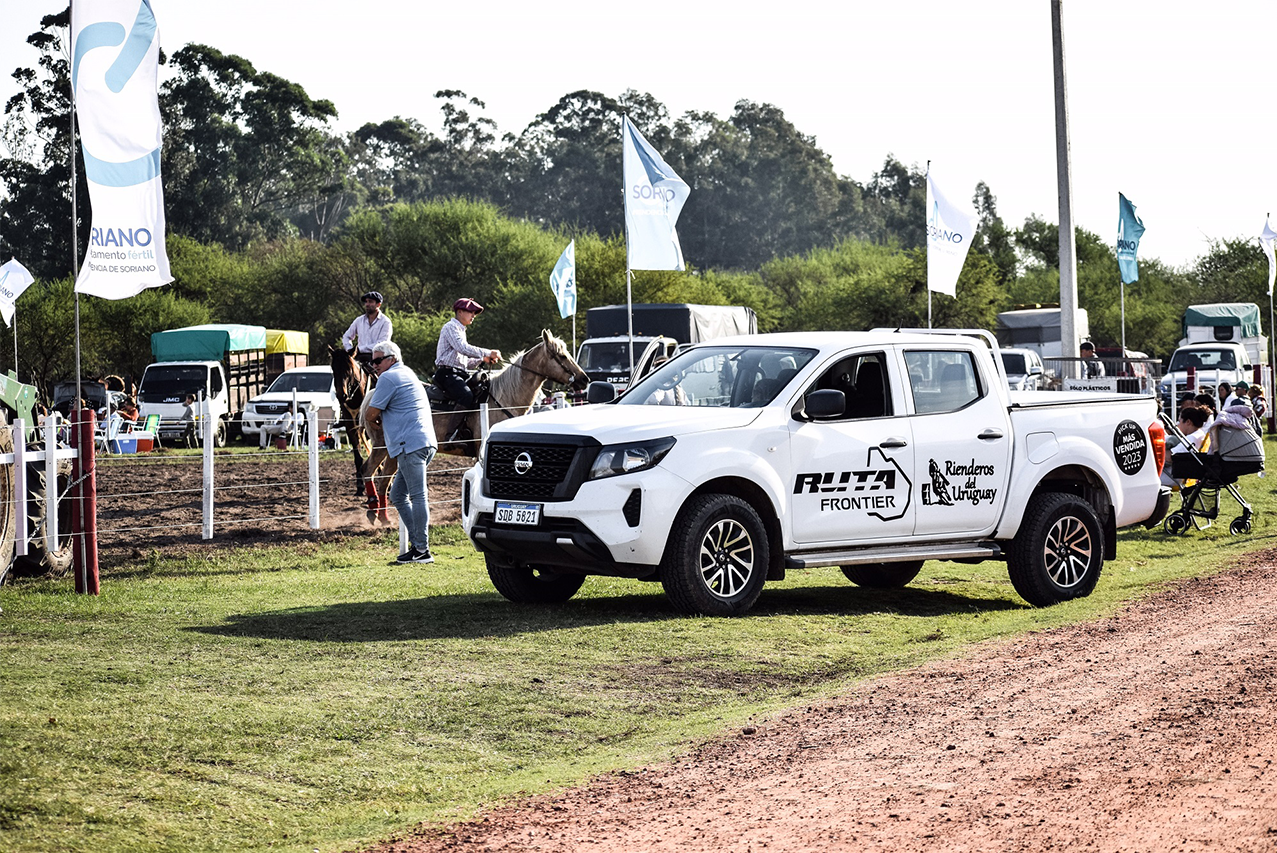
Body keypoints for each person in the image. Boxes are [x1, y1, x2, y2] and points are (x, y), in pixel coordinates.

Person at [365, 340, 438, 564]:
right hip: (423, 443)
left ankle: (423, 551)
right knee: (397, 495)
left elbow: (370, 414)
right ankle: (418, 547)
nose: (374, 365)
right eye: (372, 361)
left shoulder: (388, 378)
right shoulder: (407, 373)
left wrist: (376, 420)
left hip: (410, 446)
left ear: (392, 359)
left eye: (378, 360)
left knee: (417, 496)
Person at [434, 297, 501, 443]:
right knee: (466, 396)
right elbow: (462, 348)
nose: (473, 316)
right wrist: (488, 352)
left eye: (474, 314)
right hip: (447, 374)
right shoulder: (451, 327)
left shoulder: (460, 330)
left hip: (457, 373)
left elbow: (465, 363)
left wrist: (482, 360)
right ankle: (450, 435)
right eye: (471, 312)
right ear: (460, 311)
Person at [1162, 406, 1210, 489]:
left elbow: (1169, 457)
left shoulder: (1192, 438)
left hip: (1174, 476)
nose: (1177, 424)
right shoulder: (1200, 435)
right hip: (1181, 474)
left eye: (1179, 421)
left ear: (1188, 422)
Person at [342, 291, 393, 367]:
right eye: (366, 302)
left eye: (370, 302)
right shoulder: (359, 320)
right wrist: (350, 350)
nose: (367, 304)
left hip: (377, 358)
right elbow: (346, 336)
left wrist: (360, 349)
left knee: (382, 377)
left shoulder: (385, 322)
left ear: (378, 304)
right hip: (358, 357)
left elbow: (382, 343)